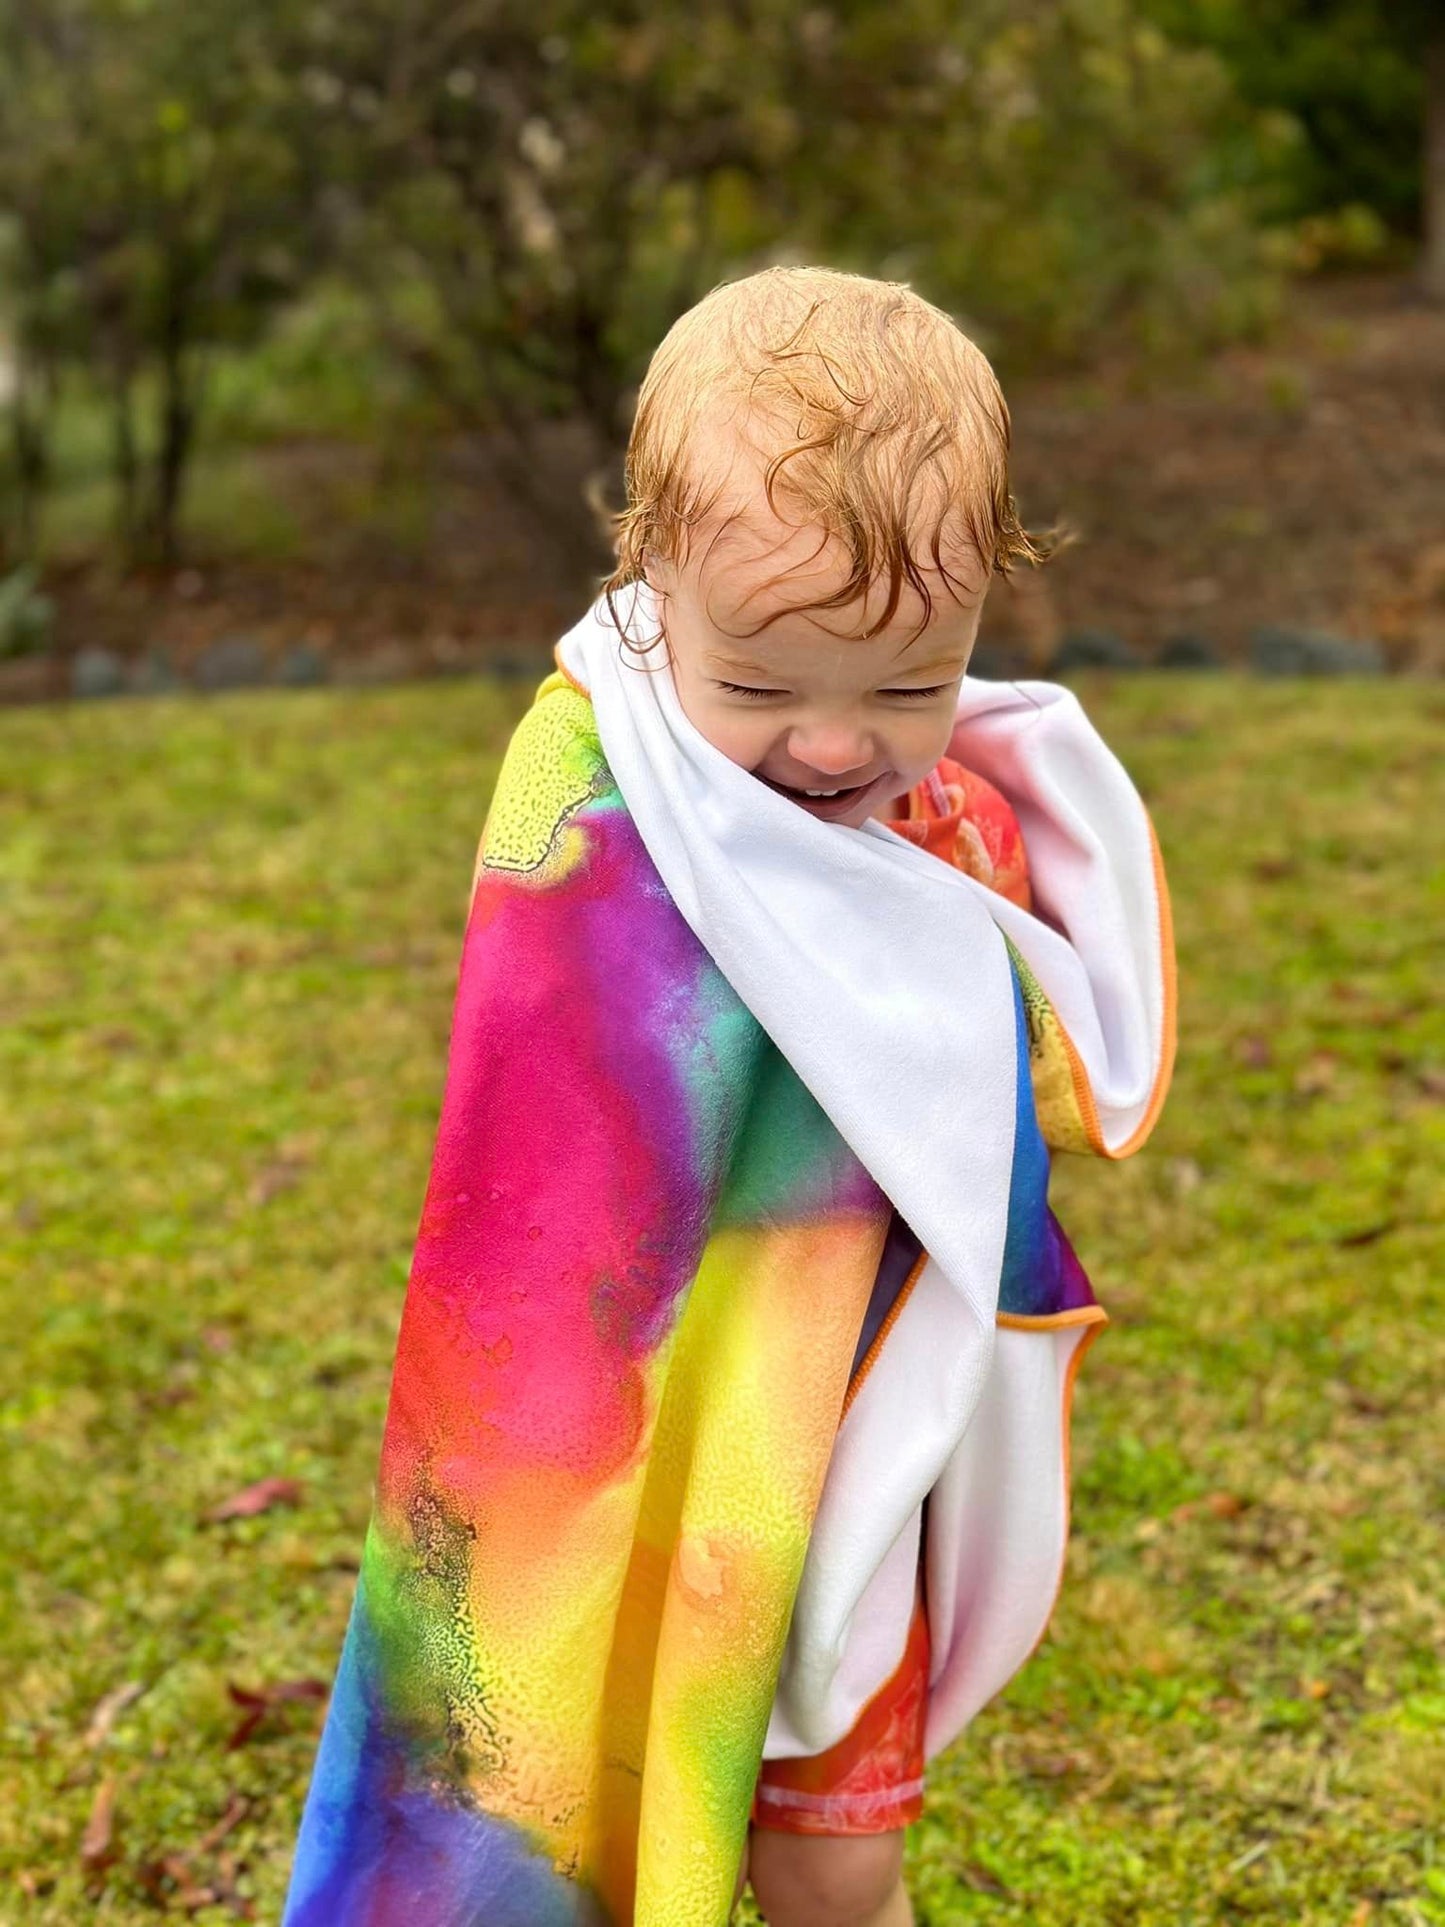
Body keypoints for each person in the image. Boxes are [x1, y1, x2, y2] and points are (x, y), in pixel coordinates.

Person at [282, 266, 1174, 1927]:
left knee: (837, 1863)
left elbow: (1017, 1090)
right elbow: (542, 1115)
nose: (836, 746)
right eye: (761, 687)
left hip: (853, 1446)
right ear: (653, 588)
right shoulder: (592, 789)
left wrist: (961, 900)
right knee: (586, 1789)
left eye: (909, 684)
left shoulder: (948, 822)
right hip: (634, 1422)